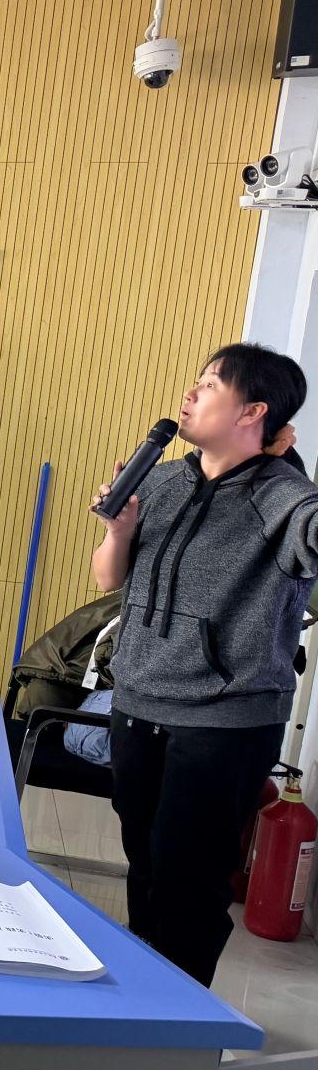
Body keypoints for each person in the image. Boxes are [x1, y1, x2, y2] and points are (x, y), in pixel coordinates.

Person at [92, 342, 318, 988]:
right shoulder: (162, 479)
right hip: (139, 701)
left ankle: (177, 1023)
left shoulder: (285, 498)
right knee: (145, 866)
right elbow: (108, 579)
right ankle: (144, 1001)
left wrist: (291, 474)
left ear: (253, 412)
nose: (190, 394)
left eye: (211, 385)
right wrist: (119, 530)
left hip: (225, 722)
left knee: (189, 884)